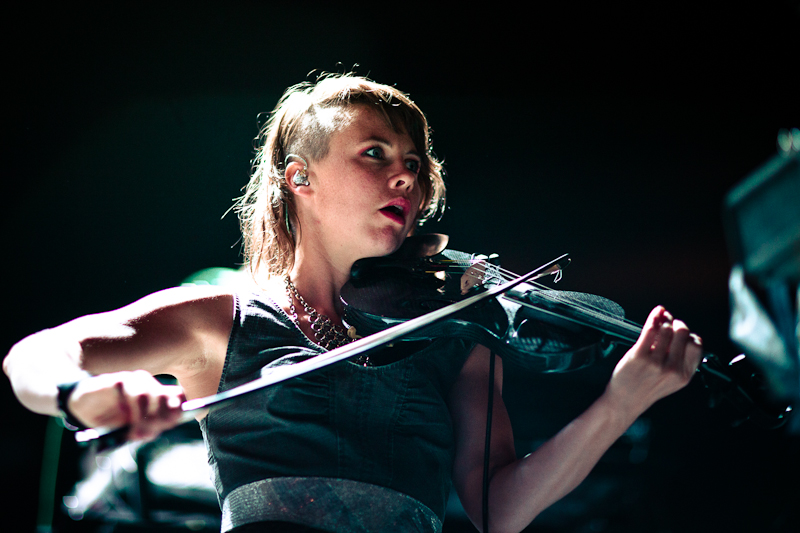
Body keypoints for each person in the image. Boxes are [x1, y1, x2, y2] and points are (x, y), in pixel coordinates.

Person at [3, 73, 703, 533]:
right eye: (375, 152)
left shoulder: (452, 335)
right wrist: (77, 393)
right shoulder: (223, 315)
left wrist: (621, 401)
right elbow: (34, 354)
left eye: (415, 161)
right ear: (299, 178)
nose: (406, 172)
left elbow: (499, 508)